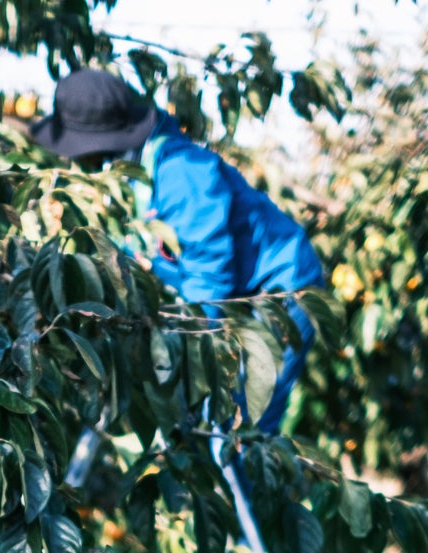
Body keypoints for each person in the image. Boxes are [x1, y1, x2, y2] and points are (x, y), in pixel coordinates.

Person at [20, 68, 325, 432]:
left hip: (281, 287)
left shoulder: (182, 172)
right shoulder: (129, 173)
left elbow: (210, 271)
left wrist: (189, 349)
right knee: (203, 417)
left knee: (240, 420)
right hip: (235, 290)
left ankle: (246, 463)